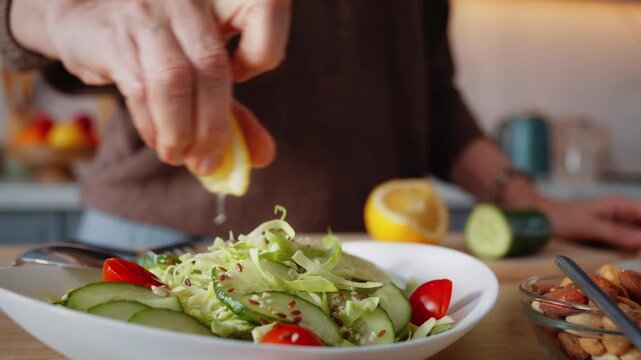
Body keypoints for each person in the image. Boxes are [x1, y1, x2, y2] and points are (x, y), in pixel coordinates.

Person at [2, 0, 640, 250]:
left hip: (354, 255)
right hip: (146, 234)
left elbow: (430, 96)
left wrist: (531, 205)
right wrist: (52, 13)